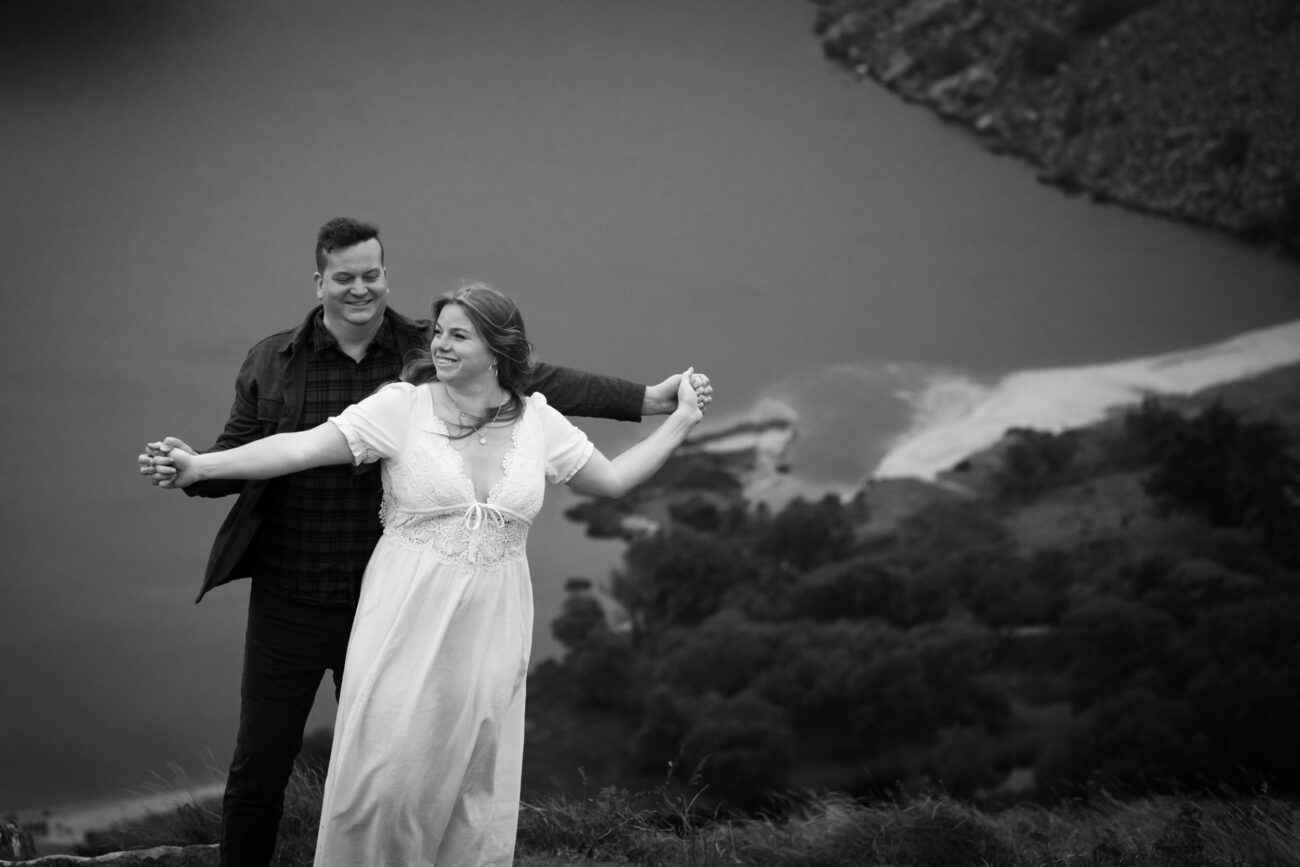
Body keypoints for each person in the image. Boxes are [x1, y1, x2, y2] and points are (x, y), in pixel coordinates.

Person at [137, 217, 711, 867]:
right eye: (345, 277)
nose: (362, 289)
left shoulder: (482, 387)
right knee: (305, 766)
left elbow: (575, 429)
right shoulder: (307, 373)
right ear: (320, 281)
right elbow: (281, 449)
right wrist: (198, 468)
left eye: (372, 274)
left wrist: (661, 406)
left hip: (441, 614)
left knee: (440, 769)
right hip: (318, 597)